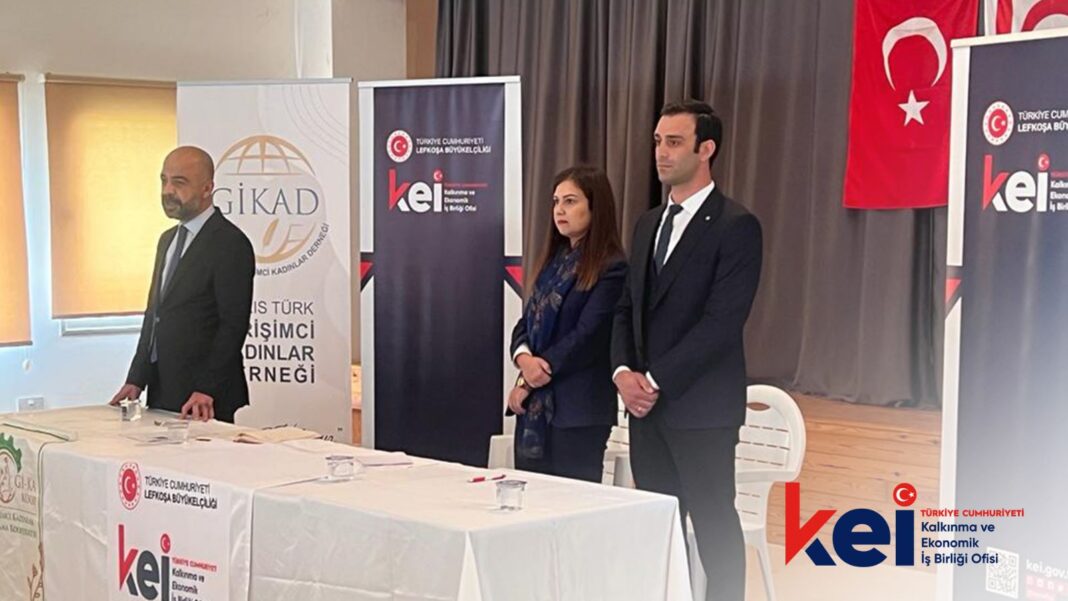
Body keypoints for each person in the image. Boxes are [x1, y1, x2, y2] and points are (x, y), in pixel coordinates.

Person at [612, 100, 762, 601]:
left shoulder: (736, 226)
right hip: (645, 410)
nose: (661, 152)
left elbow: (722, 323)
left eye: (674, 142)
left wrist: (654, 381)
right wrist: (622, 373)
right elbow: (626, 308)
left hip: (701, 409)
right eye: (658, 141)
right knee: (659, 525)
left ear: (706, 149)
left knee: (714, 523)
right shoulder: (647, 223)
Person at [110, 146, 255, 423]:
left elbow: (233, 324)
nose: (167, 191)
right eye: (164, 180)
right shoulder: (167, 240)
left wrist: (206, 388)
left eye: (179, 182)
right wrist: (136, 379)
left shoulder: (230, 243)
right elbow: (155, 315)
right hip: (163, 386)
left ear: (207, 188)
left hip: (205, 398)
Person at [507, 165, 627, 482]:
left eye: (570, 201)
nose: (559, 210)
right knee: (532, 499)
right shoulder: (554, 262)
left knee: (571, 503)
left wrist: (533, 376)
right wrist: (524, 361)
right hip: (535, 406)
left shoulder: (612, 267)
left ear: (595, 206)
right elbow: (525, 323)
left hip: (578, 411)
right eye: (556, 202)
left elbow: (588, 336)